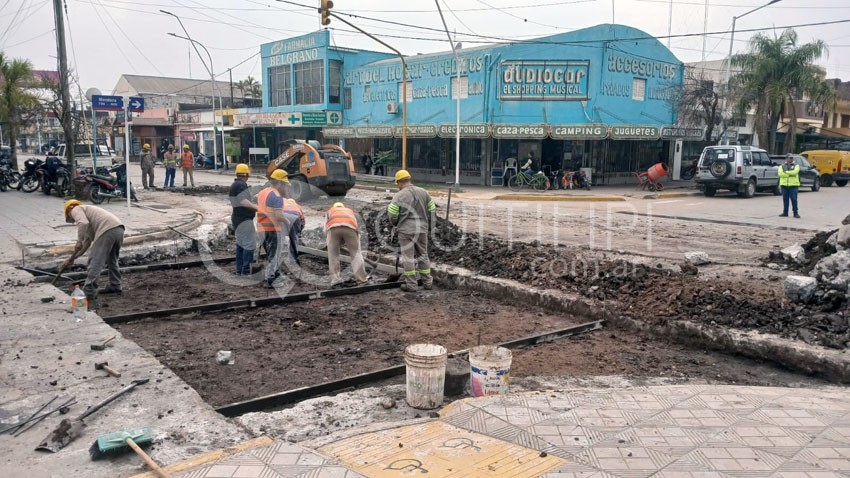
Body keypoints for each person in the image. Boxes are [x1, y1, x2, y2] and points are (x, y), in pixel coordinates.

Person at [62, 200, 125, 302]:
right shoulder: (90, 216)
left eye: (71, 218)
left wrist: (78, 241)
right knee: (112, 260)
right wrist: (72, 258)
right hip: (118, 229)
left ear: (69, 208)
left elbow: (82, 223)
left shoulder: (76, 209)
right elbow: (86, 243)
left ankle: (89, 292)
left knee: (95, 261)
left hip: (107, 230)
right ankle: (115, 285)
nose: (74, 220)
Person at [387, 170, 437, 292]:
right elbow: (433, 210)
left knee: (408, 257)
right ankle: (428, 283)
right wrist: (430, 226)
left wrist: (396, 224)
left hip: (406, 231)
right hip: (422, 229)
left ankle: (411, 285)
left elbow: (392, 214)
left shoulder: (399, 196)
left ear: (399, 182)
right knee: (423, 255)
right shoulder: (424, 192)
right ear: (409, 179)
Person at [256, 170, 291, 288]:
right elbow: (278, 216)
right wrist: (288, 222)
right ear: (280, 183)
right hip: (272, 228)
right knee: (275, 254)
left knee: (270, 253)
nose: (286, 186)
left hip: (261, 228)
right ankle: (270, 279)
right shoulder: (276, 196)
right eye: (285, 184)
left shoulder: (262, 192)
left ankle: (275, 274)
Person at [325, 202, 369, 287]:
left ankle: (335, 279)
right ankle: (361, 278)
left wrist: (334, 242)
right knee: (356, 254)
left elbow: (326, 227)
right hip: (350, 228)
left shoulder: (330, 211)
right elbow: (355, 225)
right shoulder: (350, 211)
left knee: (333, 255)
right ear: (343, 207)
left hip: (333, 229)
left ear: (334, 207)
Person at [230, 163, 258, 275]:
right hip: (244, 219)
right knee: (249, 244)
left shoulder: (235, 185)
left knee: (241, 245)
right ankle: (246, 271)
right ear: (246, 174)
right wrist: (257, 208)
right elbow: (243, 201)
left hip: (237, 218)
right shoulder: (241, 185)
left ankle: (240, 269)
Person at [282, 197, 304, 264]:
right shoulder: (297, 206)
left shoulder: (283, 203)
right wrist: (299, 233)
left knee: (280, 238)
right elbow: (302, 221)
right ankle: (293, 260)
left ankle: (278, 258)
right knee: (294, 238)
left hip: (283, 215)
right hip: (295, 217)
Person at [779, 153, 801, 219]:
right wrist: (789, 174)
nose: (791, 159)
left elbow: (795, 172)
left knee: (794, 199)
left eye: (792, 158)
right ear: (786, 158)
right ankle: (785, 212)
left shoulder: (796, 165)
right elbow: (780, 174)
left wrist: (786, 172)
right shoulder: (782, 166)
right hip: (784, 185)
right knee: (785, 199)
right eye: (789, 158)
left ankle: (795, 213)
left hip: (793, 185)